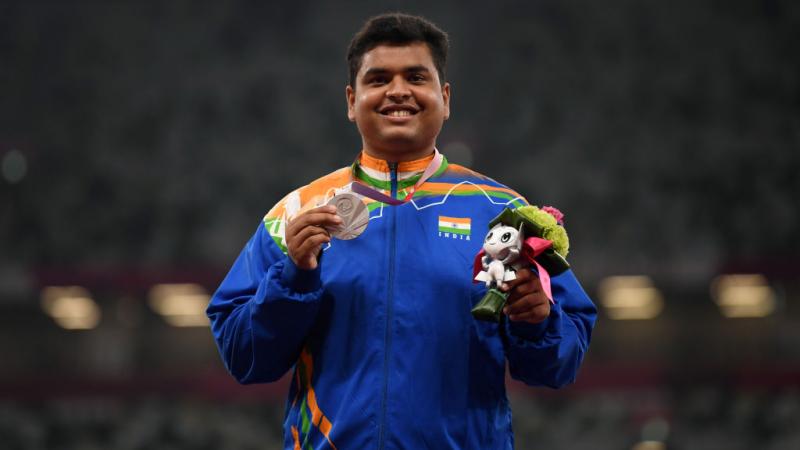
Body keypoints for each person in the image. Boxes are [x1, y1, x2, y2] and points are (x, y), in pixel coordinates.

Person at [207, 12, 597, 450]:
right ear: (352, 101)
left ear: (444, 98)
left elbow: (556, 365)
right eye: (378, 79)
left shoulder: (503, 216)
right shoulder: (297, 214)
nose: (397, 91)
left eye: (415, 77)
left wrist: (538, 322)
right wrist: (293, 278)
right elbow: (244, 357)